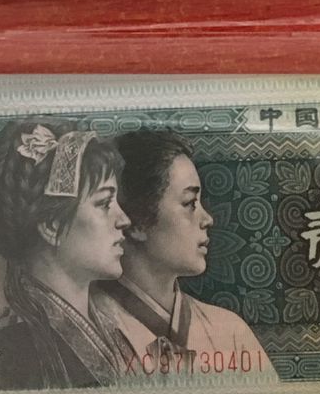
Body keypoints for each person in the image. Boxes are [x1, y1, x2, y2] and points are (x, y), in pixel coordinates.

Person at [0, 119, 132, 390]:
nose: (124, 220)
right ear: (52, 226)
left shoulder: (114, 327)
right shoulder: (13, 353)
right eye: (104, 203)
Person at [92, 130, 271, 377]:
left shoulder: (230, 332)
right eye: (189, 203)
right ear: (137, 223)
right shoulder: (87, 329)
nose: (207, 219)